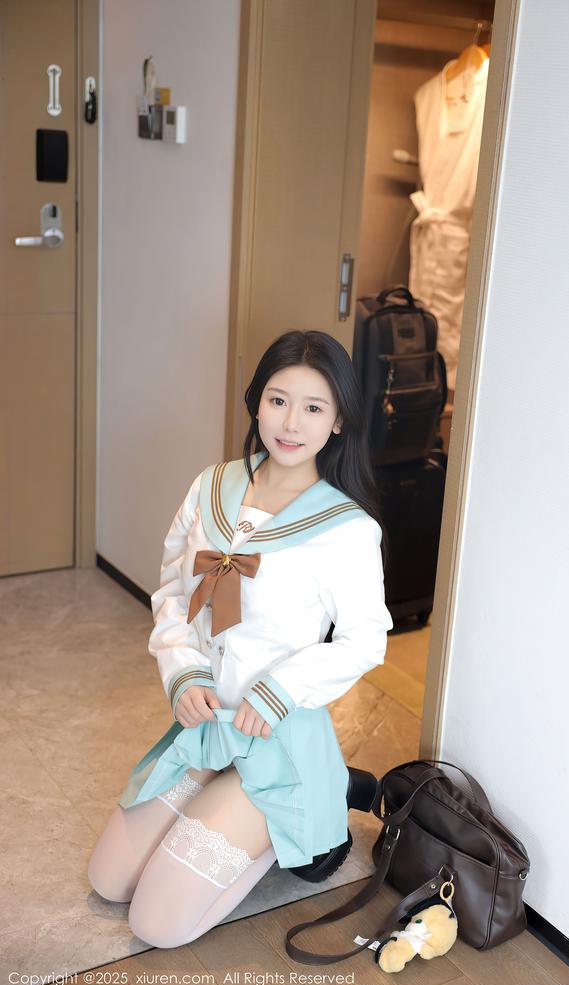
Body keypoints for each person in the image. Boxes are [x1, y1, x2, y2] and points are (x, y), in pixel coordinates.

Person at [87, 329, 394, 949]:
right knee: (108, 881)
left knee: (156, 923)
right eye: (278, 401)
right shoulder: (212, 486)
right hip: (206, 724)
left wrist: (278, 691)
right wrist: (183, 673)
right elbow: (173, 590)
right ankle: (278, 793)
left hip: (275, 742)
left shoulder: (346, 529)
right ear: (257, 403)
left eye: (314, 407)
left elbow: (366, 640)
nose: (291, 423)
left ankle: (319, 798)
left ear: (338, 421)